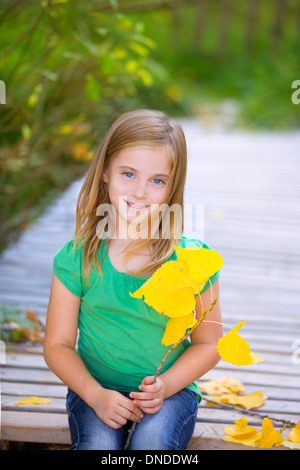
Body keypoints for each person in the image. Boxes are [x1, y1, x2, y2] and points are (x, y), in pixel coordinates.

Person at [43, 109, 223, 450]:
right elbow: (57, 345)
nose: (140, 192)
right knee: (97, 447)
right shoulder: (77, 258)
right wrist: (96, 395)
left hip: (169, 394)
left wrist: (166, 386)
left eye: (157, 180)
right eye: (129, 174)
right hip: (94, 389)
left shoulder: (193, 260)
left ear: (173, 187)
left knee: (152, 445)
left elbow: (209, 342)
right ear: (106, 171)